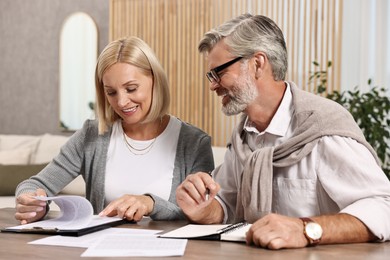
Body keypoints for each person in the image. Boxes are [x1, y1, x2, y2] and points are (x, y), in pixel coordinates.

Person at [176, 13, 390, 249]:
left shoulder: (322, 129)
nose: (212, 85)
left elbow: (384, 206)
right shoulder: (243, 137)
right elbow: (226, 204)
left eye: (220, 73)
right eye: (211, 75)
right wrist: (203, 209)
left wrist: (305, 229)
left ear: (257, 64)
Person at [15, 36, 214, 224]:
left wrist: (151, 204)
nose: (121, 102)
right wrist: (32, 203)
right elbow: (32, 186)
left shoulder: (195, 143)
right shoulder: (92, 136)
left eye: (131, 88)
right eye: (111, 92)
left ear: (155, 80)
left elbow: (204, 215)